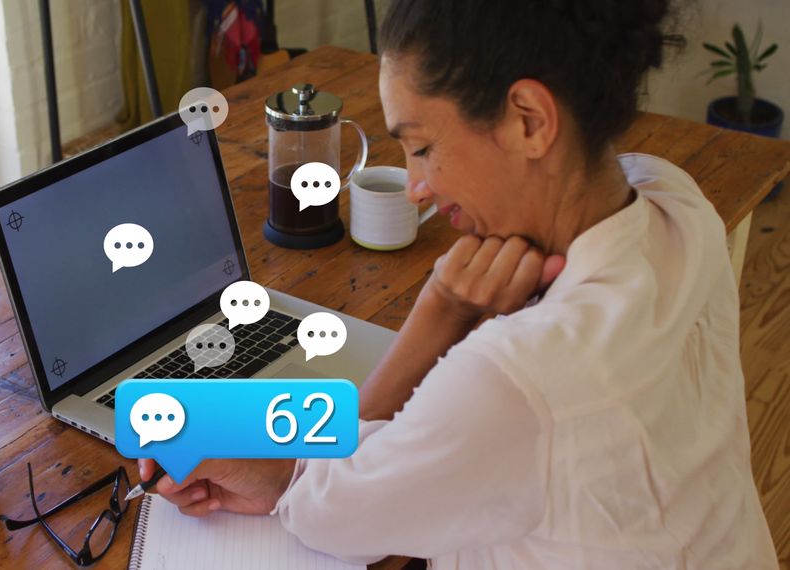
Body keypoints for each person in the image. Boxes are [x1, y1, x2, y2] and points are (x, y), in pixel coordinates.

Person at [141, 0, 779, 566]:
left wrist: (441, 308)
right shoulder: (675, 200)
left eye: (419, 147)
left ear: (530, 120)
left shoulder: (525, 377)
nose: (417, 184)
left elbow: (338, 518)